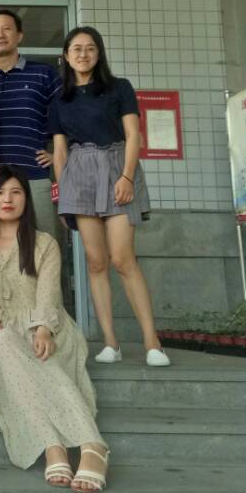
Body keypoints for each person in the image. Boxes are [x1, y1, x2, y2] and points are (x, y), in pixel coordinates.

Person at [0, 164, 108, 493]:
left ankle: (90, 445)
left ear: (27, 199)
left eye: (15, 192)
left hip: (44, 328)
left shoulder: (44, 243)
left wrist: (43, 328)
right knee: (2, 342)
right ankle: (52, 446)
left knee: (30, 353)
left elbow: (49, 295)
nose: (7, 199)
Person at [50, 26, 170, 367]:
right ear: (66, 56)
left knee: (122, 258)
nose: (83, 54)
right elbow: (60, 152)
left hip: (117, 165)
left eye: (90, 48)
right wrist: (63, 197)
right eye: (76, 48)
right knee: (95, 261)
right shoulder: (59, 99)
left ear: (99, 53)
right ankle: (110, 343)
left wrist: (127, 176)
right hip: (79, 174)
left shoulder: (119, 88)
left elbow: (133, 135)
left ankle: (152, 343)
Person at [0, 9, 63, 239]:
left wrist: (61, 154)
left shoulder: (44, 74)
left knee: (46, 243)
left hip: (35, 177)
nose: (0, 35)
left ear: (19, 35)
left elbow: (68, 117)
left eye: (6, 29)